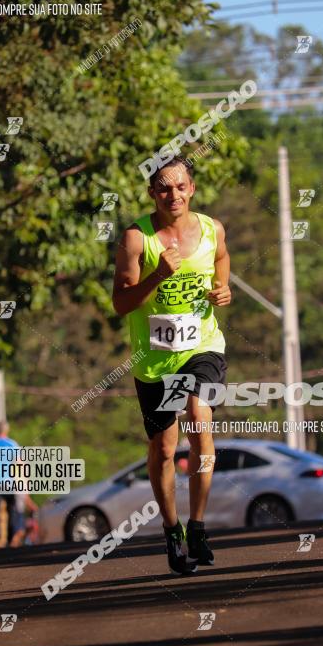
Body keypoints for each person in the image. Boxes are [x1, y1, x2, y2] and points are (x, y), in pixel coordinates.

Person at [112, 155, 231, 575]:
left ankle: (198, 524)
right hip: (157, 359)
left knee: (199, 417)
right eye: (163, 188)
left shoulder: (212, 229)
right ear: (152, 193)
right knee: (164, 447)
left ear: (192, 188)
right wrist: (157, 275)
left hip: (203, 348)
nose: (173, 194)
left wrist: (224, 290)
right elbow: (121, 303)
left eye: (180, 186)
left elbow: (220, 263)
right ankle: (172, 529)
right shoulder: (136, 238)